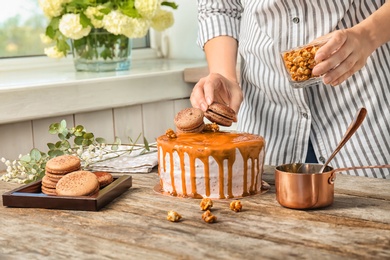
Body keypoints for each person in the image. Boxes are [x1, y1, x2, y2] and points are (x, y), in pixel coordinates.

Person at [191, 0, 390, 178]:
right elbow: (219, 7)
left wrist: (367, 36)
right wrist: (225, 75)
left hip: (362, 107)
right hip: (269, 120)